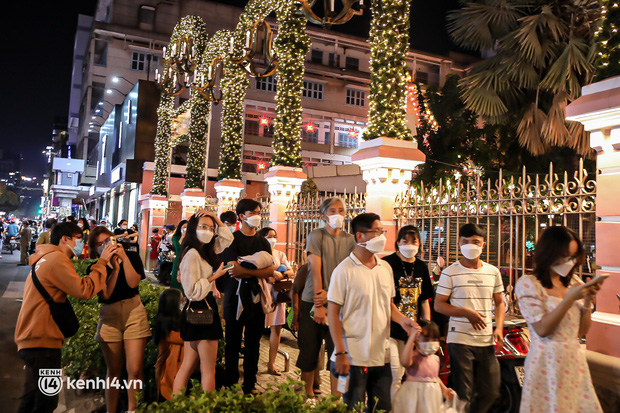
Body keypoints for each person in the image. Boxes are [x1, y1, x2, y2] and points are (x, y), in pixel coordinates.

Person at [14, 222, 117, 413]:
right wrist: (101, 263)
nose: (82, 244)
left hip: (34, 339)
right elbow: (84, 290)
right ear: (65, 239)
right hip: (43, 342)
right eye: (79, 239)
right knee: (46, 401)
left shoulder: (45, 259)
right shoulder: (56, 260)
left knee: (32, 400)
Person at [328, 213, 419, 411]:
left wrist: (403, 320)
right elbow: (333, 314)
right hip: (353, 355)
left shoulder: (385, 268)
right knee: (355, 407)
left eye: (381, 231)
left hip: (382, 354)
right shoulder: (343, 271)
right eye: (376, 232)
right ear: (360, 236)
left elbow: (388, 305)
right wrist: (341, 352)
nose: (381, 236)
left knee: (383, 407)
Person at [515, 226, 604, 412]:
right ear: (549, 252)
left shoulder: (575, 283)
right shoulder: (528, 284)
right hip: (546, 361)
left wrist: (587, 302)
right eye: (565, 256)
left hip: (573, 360)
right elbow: (542, 329)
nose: (569, 262)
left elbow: (581, 331)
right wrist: (569, 298)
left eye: (573, 257)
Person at [434, 223, 505, 413]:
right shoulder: (450, 272)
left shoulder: (493, 272)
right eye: (465, 241)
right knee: (464, 393)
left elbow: (499, 302)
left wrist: (498, 328)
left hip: (486, 341)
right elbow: (439, 304)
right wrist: (466, 312)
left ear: (483, 245)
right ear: (458, 244)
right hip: (460, 340)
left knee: (490, 391)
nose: (470, 245)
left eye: (475, 242)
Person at [88, 226, 151, 413]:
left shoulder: (131, 256)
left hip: (134, 311)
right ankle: (111, 410)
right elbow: (106, 294)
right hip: (110, 316)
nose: (105, 246)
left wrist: (123, 259)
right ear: (94, 248)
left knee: (135, 369)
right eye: (100, 244)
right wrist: (113, 269)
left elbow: (133, 282)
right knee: (113, 370)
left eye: (108, 241)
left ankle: (132, 410)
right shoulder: (96, 266)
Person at [298, 197, 355, 396]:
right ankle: (307, 395)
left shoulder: (350, 240)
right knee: (309, 351)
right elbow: (315, 269)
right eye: (332, 211)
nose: (337, 214)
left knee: (338, 352)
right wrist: (320, 304)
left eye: (341, 210)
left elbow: (351, 272)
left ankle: (336, 399)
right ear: (323, 216)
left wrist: (331, 296)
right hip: (314, 301)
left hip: (338, 302)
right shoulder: (316, 235)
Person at [173, 212, 233, 393]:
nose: (208, 231)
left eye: (211, 228)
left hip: (198, 310)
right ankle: (206, 406)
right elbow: (192, 291)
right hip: (202, 309)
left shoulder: (205, 250)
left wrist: (215, 217)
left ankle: (176, 407)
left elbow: (227, 239)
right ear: (193, 228)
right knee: (208, 370)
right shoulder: (192, 254)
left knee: (188, 366)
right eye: (203, 227)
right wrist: (214, 276)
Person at [221, 198, 277, 394]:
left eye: (259, 212)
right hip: (233, 297)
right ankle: (230, 383)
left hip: (257, 297)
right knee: (233, 344)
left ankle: (250, 385)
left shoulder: (263, 242)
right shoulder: (231, 240)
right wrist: (256, 269)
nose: (257, 216)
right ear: (241, 216)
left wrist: (248, 271)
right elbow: (231, 269)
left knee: (254, 343)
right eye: (253, 213)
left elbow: (270, 269)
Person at [381, 225, 435, 400]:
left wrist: (426, 329)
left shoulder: (421, 267)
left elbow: (424, 300)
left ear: (419, 243)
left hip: (412, 332)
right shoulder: (387, 263)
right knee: (396, 372)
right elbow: (385, 300)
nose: (409, 244)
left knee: (407, 372)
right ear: (398, 243)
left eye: (414, 241)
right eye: (405, 240)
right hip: (390, 328)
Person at [393, 320, 454, 413]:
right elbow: (405, 362)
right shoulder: (413, 357)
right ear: (416, 339)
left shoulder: (435, 358)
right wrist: (411, 339)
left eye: (435, 340)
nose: (431, 343)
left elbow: (434, 377)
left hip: (432, 396)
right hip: (414, 396)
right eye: (426, 339)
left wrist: (444, 389)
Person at [258, 227, 295, 376]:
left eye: (274, 236)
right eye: (268, 236)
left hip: (277, 293)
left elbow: (291, 271)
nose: (271, 239)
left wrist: (281, 273)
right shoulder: (258, 254)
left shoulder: (280, 254)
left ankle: (271, 363)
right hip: (261, 293)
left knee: (276, 328)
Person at [291, 261, 323, 394]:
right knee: (308, 349)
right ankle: (308, 386)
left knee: (318, 350)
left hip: (322, 314)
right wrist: (296, 316)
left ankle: (315, 382)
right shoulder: (307, 268)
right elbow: (295, 290)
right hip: (307, 314)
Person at [153, 288, 185, 401]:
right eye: (181, 301)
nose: (183, 303)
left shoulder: (168, 322)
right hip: (167, 374)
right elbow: (186, 338)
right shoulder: (166, 328)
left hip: (170, 372)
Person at [170, 220, 188, 292]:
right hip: (178, 261)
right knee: (176, 281)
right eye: (184, 227)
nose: (185, 229)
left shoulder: (190, 238)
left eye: (187, 227)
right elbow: (178, 247)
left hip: (187, 261)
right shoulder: (176, 237)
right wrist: (183, 236)